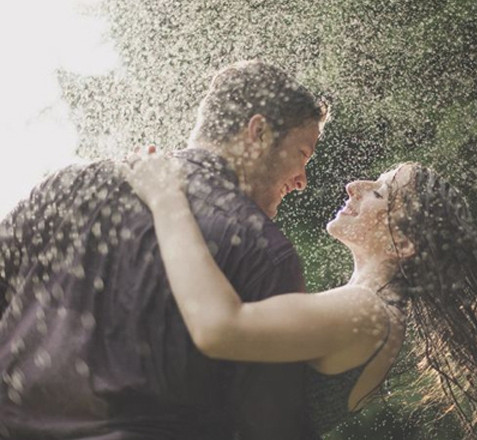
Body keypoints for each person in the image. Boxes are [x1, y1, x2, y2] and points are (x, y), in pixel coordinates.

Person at [124, 153, 477, 439]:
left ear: (406, 242)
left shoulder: (368, 311)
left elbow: (221, 327)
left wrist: (166, 199)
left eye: (379, 191)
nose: (353, 185)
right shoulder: (377, 314)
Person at [0, 60, 328, 439]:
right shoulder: (261, 252)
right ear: (258, 132)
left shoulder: (73, 186)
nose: (302, 181)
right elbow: (272, 427)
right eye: (303, 154)